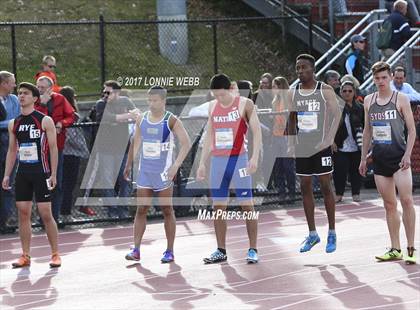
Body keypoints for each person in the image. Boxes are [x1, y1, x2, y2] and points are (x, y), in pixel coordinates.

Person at [197, 73, 262, 264]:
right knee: (218, 207)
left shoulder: (244, 104)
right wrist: (202, 162)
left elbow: (257, 131)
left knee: (247, 205)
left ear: (230, 90)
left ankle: (252, 249)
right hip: (218, 161)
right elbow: (209, 134)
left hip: (239, 160)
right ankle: (220, 250)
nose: (219, 99)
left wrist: (255, 157)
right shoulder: (212, 107)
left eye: (222, 95)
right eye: (216, 96)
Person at [124, 86, 191, 263]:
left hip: (163, 173)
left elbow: (186, 144)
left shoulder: (171, 120)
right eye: (150, 100)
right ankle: (136, 249)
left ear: (163, 101)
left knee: (167, 210)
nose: (152, 104)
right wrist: (128, 163)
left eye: (155, 101)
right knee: (141, 209)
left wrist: (175, 166)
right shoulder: (143, 119)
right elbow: (136, 142)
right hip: (145, 172)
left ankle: (169, 250)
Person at [359, 61, 417, 264]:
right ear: (373, 80)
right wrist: (363, 157)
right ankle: (395, 248)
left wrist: (407, 155)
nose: (381, 81)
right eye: (377, 78)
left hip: (400, 158)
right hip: (380, 159)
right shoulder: (368, 100)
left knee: (407, 201)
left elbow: (411, 130)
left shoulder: (400, 99)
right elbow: (367, 131)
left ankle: (411, 247)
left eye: (384, 77)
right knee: (389, 205)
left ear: (391, 77)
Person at [2, 82, 61, 268]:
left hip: (41, 172)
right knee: (23, 213)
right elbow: (12, 151)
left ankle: (55, 254)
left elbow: (53, 148)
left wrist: (53, 173)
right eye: (19, 93)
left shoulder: (44, 120)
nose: (21, 96)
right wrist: (6, 175)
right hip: (23, 173)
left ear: (35, 98)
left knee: (45, 214)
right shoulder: (14, 123)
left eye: (26, 93)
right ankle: (25, 255)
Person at [287, 54, 341, 253]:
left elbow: (337, 114)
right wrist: (291, 143)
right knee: (304, 186)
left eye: (303, 67)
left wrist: (329, 138)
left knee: (326, 185)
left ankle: (332, 232)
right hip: (303, 147)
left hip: (321, 146)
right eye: (297, 68)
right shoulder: (294, 92)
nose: (300, 71)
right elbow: (291, 118)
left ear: (313, 69)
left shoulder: (324, 90)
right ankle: (312, 234)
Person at [93, 80, 139, 218]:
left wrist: (123, 118)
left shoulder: (125, 101)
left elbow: (137, 113)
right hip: (105, 149)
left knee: (125, 179)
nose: (105, 94)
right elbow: (106, 118)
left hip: (123, 148)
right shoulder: (101, 103)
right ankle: (112, 210)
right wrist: (124, 117)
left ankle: (123, 209)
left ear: (117, 92)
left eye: (109, 92)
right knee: (107, 180)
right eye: (104, 91)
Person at [35, 76, 75, 223]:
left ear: (50, 89)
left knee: (55, 182)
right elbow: (35, 120)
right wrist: (43, 105)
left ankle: (54, 217)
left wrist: (61, 123)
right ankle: (41, 218)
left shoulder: (60, 99)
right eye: (38, 87)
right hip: (38, 148)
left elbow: (71, 116)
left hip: (56, 147)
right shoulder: (34, 101)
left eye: (42, 88)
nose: (39, 90)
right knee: (40, 183)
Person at [60, 86, 91, 221]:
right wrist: (84, 150)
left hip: (63, 153)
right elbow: (73, 137)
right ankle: (65, 213)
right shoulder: (71, 114)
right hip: (70, 154)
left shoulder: (59, 113)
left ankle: (65, 211)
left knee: (64, 184)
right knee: (68, 184)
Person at [332, 81, 364, 203]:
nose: (347, 93)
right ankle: (339, 194)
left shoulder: (360, 108)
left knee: (356, 171)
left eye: (350, 91)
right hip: (340, 145)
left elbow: (366, 126)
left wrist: (367, 141)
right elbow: (328, 126)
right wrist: (331, 141)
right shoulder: (335, 107)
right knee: (340, 171)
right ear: (340, 92)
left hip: (357, 145)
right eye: (344, 91)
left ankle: (356, 193)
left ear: (354, 92)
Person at [0, 71, 20, 232]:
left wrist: (9, 124)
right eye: (12, 82)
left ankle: (5, 221)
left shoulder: (13, 99)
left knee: (8, 184)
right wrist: (10, 123)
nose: (14, 85)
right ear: (4, 83)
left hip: (12, 148)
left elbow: (19, 119)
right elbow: (14, 122)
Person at [271, 76, 295, 199]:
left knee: (288, 166)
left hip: (286, 136)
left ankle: (291, 192)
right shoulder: (275, 101)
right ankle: (281, 193)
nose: (272, 89)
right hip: (276, 136)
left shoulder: (288, 99)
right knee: (278, 166)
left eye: (275, 86)